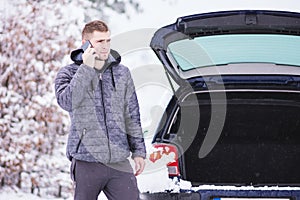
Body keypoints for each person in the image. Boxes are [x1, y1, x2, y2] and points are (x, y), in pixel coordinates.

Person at [54, 20, 146, 200]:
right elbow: (67, 102)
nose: (105, 47)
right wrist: (87, 68)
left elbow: (132, 114)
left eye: (108, 41)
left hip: (119, 161)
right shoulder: (68, 73)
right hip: (86, 161)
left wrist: (139, 152)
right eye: (99, 42)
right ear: (85, 44)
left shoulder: (122, 73)